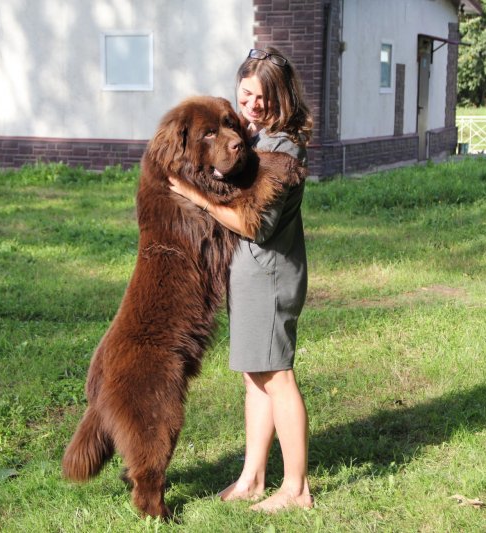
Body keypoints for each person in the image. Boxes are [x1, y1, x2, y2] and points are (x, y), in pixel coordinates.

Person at [168, 46, 313, 513]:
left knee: (278, 377)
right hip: (251, 274)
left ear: (281, 96)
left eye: (261, 96)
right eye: (245, 94)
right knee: (256, 377)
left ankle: (296, 490)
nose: (251, 104)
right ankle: (252, 478)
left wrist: (197, 197)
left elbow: (255, 225)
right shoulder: (259, 138)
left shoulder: (281, 150)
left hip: (270, 275)